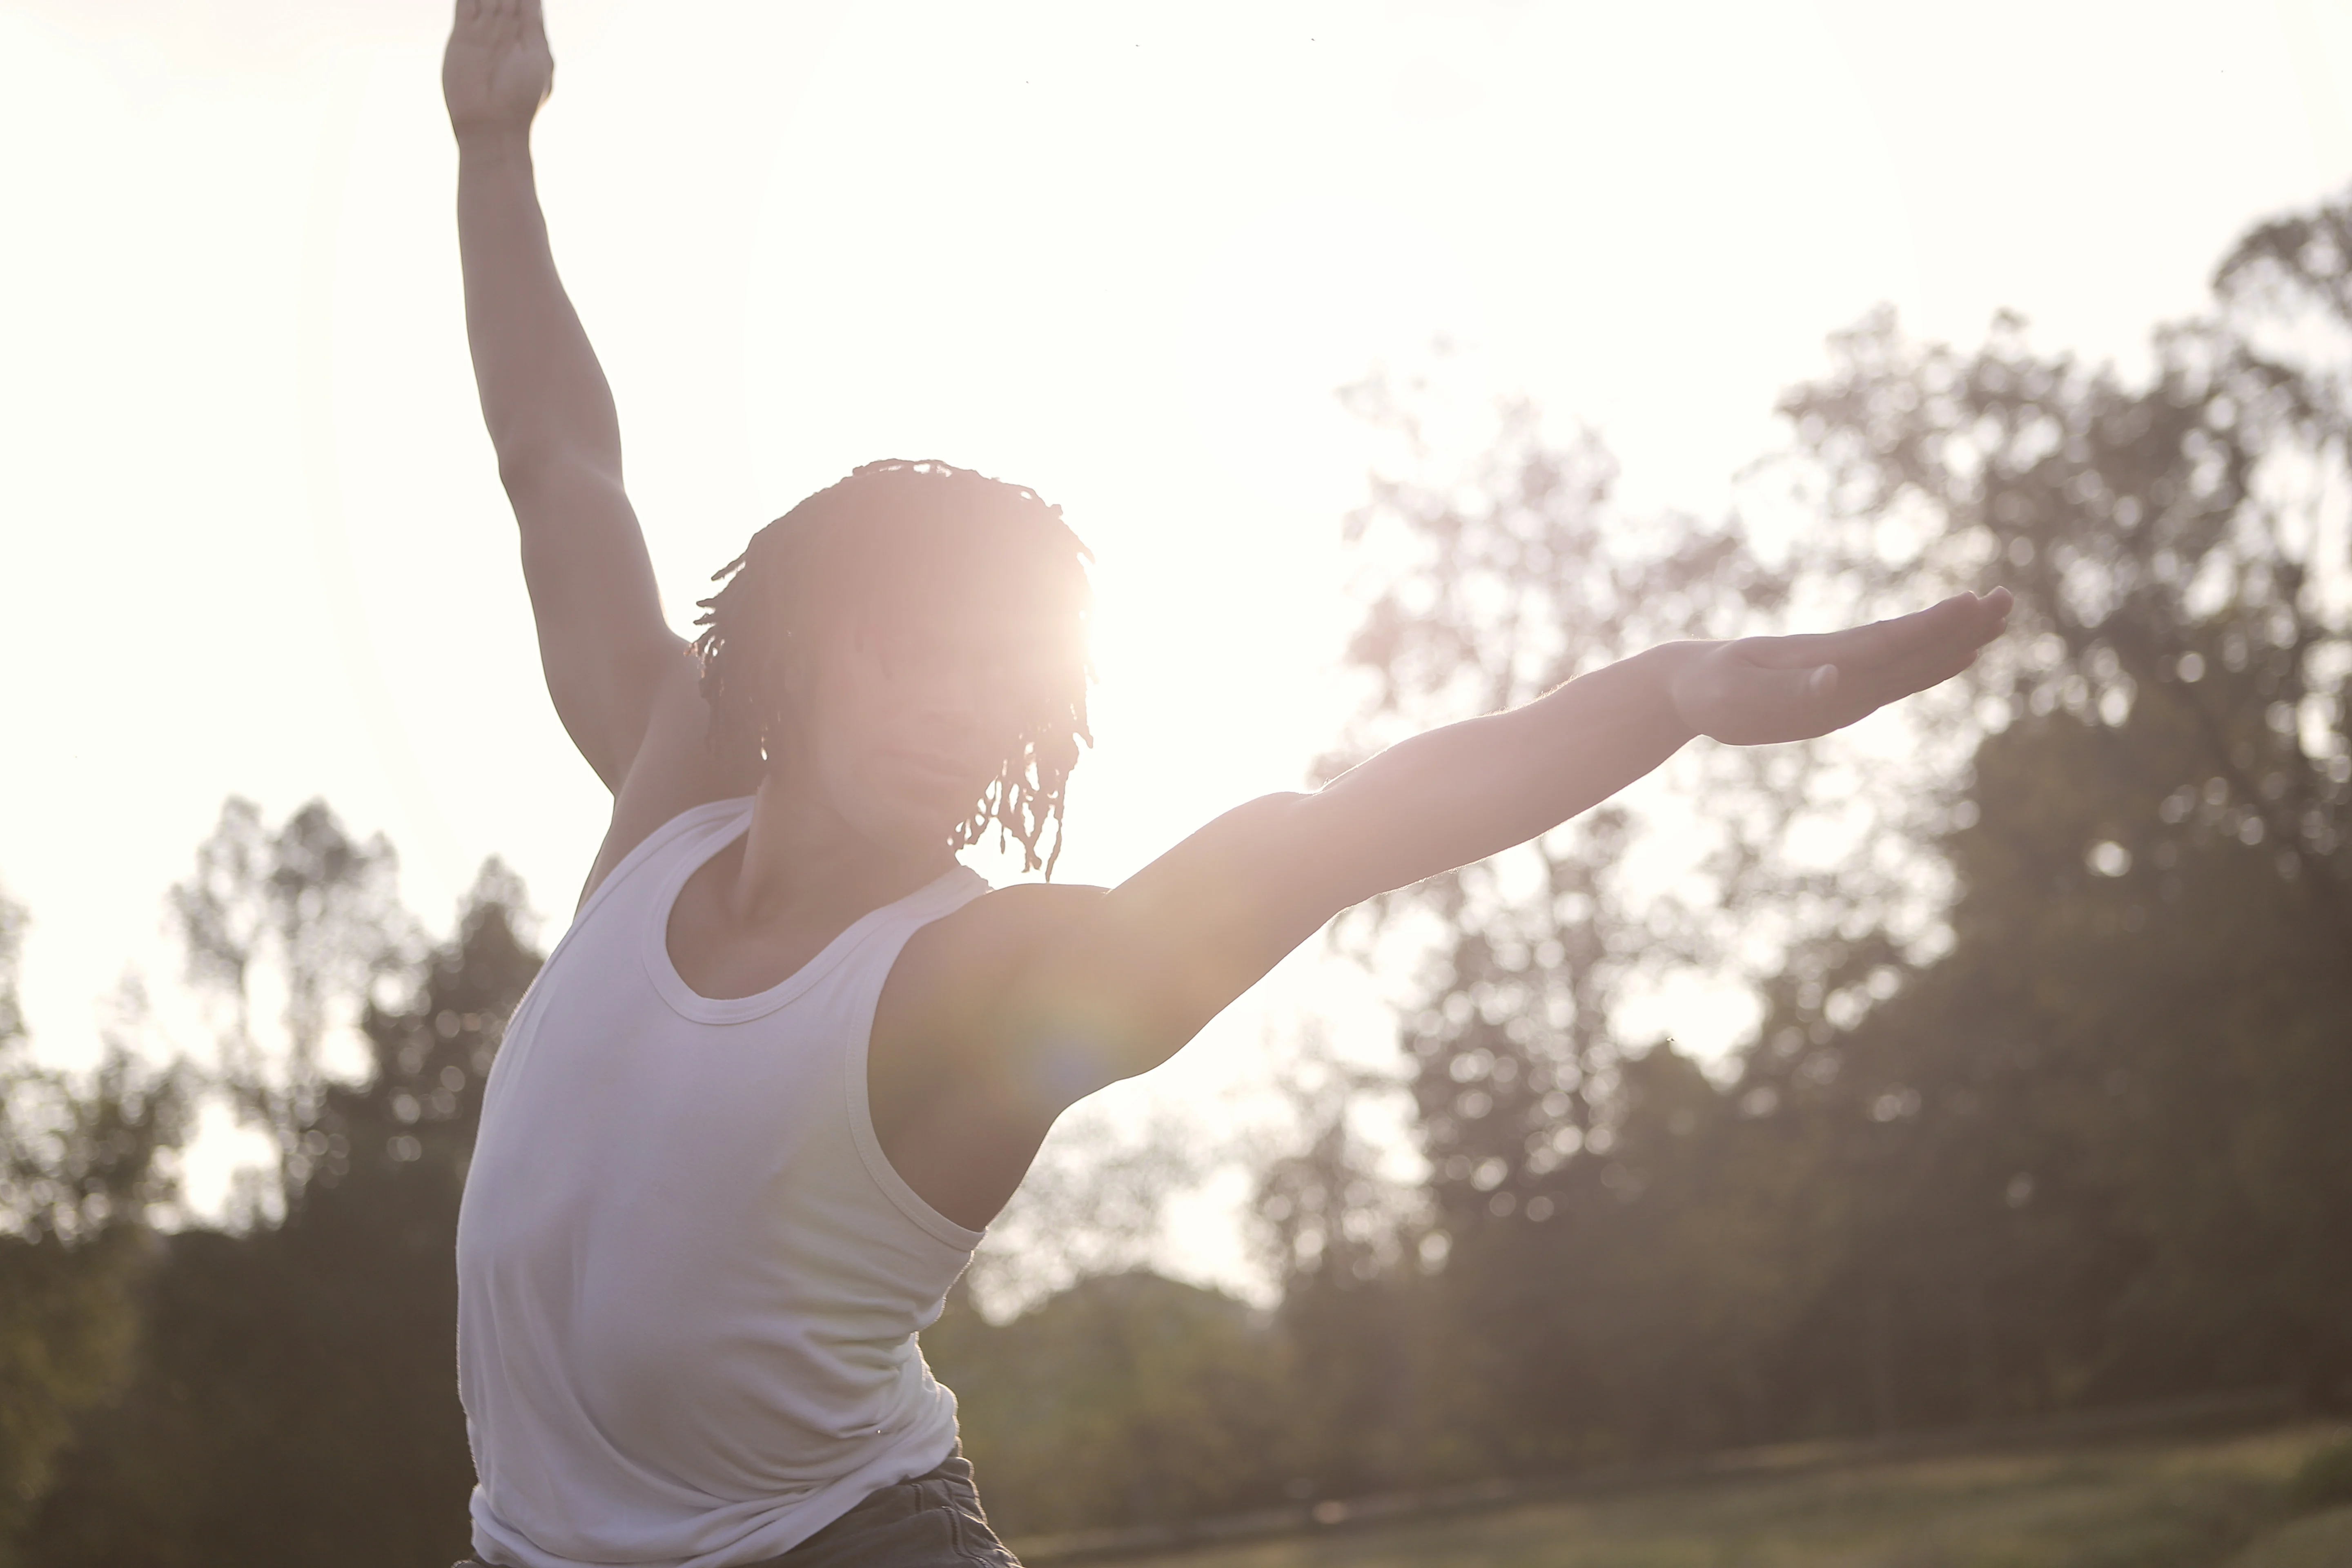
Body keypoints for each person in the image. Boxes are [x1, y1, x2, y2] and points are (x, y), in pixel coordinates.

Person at [439, 2, 2011, 1564]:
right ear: (789, 651)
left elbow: (1336, 837)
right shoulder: (668, 803)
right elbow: (556, 471)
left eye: (1001, 687)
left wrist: (1667, 692)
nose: (952, 718)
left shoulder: (974, 979)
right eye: (910, 653)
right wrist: (493, 148)